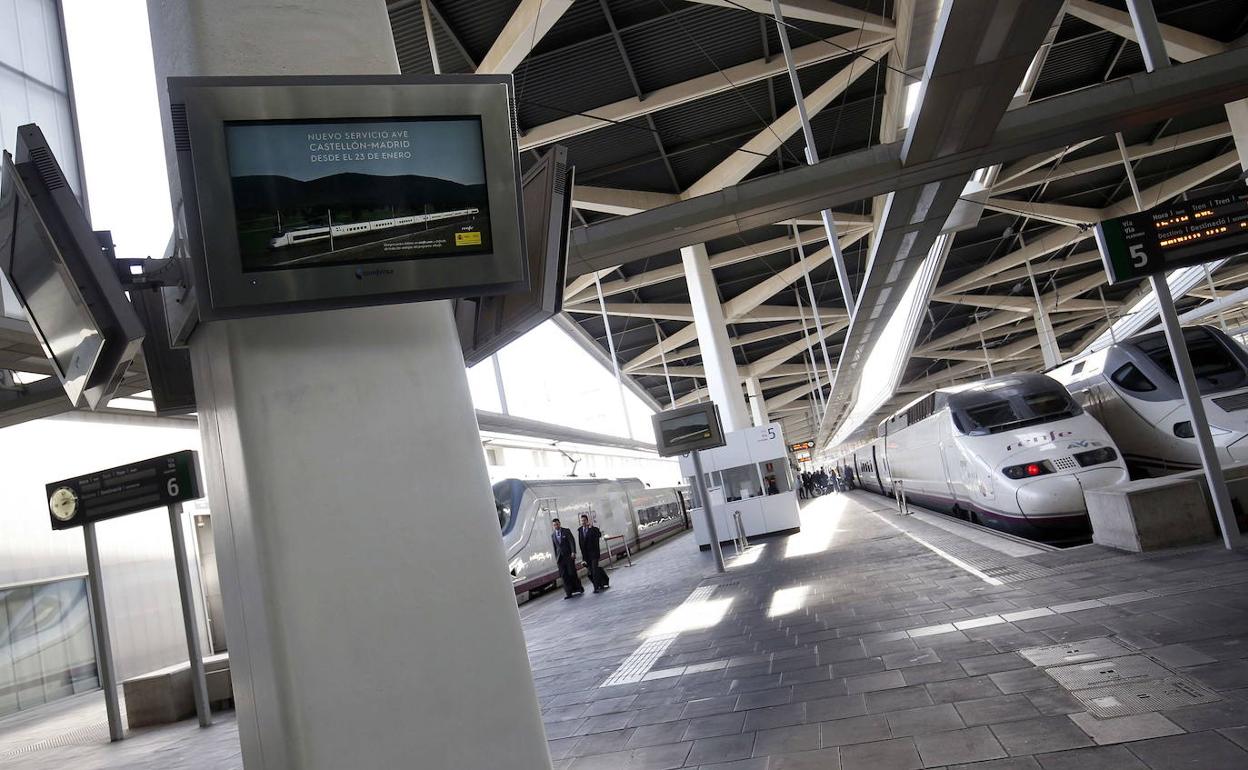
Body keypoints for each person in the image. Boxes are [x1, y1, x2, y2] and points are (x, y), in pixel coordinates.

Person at [551, 518, 583, 599]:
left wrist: (573, 552)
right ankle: (568, 593)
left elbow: (571, 541)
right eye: (554, 525)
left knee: (572, 573)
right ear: (553, 526)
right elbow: (555, 548)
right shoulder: (553, 535)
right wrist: (556, 558)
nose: (556, 526)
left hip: (569, 556)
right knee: (564, 576)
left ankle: (579, 588)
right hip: (560, 559)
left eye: (557, 524)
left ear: (560, 523)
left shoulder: (566, 531)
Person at [577, 514, 609, 594]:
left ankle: (596, 587)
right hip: (586, 555)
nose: (583, 522)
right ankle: (601, 583)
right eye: (582, 521)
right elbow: (581, 544)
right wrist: (583, 558)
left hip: (594, 554)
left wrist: (591, 528)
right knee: (591, 571)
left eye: (584, 520)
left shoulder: (594, 529)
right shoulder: (580, 530)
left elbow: (599, 535)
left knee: (594, 570)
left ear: (587, 521)